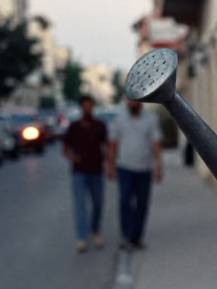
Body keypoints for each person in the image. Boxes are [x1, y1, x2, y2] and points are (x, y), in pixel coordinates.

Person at [107, 98, 163, 251]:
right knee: (125, 200)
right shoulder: (119, 120)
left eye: (135, 101)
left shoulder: (151, 119)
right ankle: (126, 236)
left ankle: (137, 237)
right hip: (124, 167)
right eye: (130, 101)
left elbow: (155, 143)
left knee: (142, 203)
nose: (133, 104)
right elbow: (112, 143)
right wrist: (110, 166)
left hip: (144, 168)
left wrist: (158, 166)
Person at [62, 95, 108, 252]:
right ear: (81, 108)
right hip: (79, 172)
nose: (88, 108)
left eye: (90, 105)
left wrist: (109, 164)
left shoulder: (100, 126)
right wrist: (72, 158)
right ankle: (82, 238)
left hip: (96, 170)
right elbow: (65, 147)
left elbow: (107, 146)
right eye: (85, 106)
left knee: (98, 203)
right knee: (80, 205)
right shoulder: (74, 127)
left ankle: (95, 232)